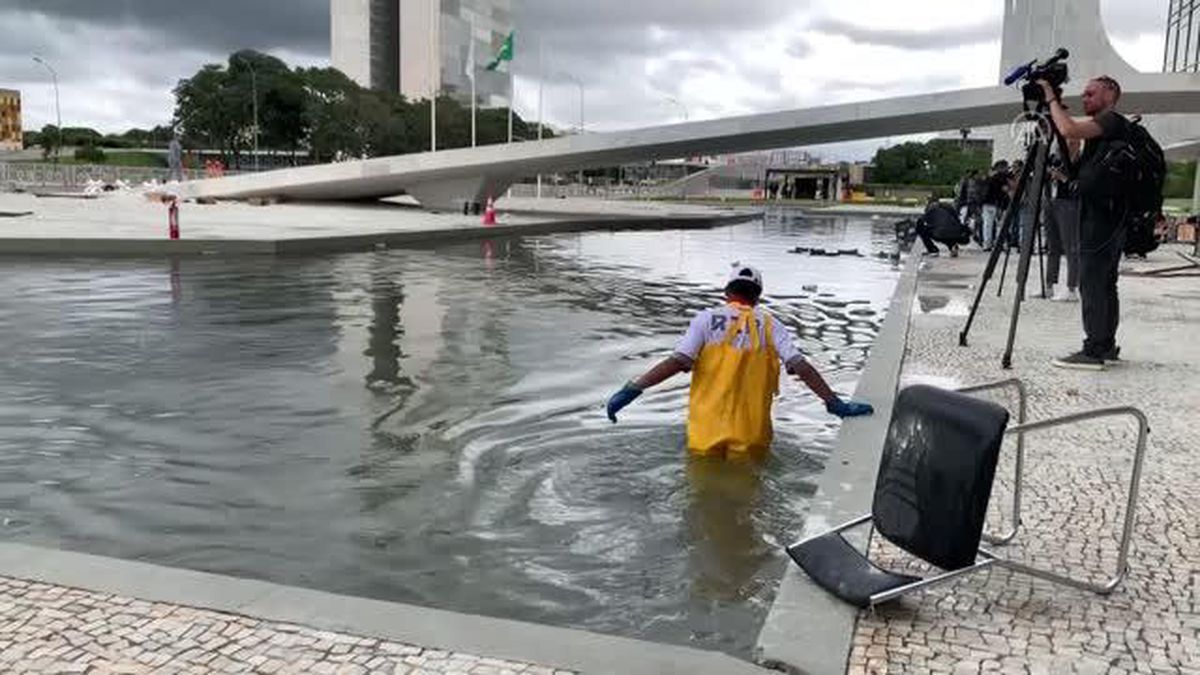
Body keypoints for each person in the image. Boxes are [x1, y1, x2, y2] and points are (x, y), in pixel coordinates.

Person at [604, 265, 874, 457]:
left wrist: (632, 389)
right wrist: (833, 402)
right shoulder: (771, 325)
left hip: (705, 432)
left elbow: (678, 361)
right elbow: (800, 366)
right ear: (758, 296)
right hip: (752, 433)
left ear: (726, 292)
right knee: (746, 500)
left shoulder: (706, 319)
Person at [1039, 75, 1129, 370]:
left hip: (1103, 218)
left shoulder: (1111, 121)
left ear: (1111, 94)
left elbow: (1068, 127)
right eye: (1084, 94)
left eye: (1091, 93)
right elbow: (1074, 156)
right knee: (1105, 284)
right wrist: (1070, 145)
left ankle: (1093, 351)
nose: (1085, 98)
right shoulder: (1103, 132)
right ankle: (1105, 344)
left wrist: (1051, 99)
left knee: (1093, 282)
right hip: (1107, 215)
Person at [1045, 142, 1081, 302]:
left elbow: (1080, 184)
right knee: (1052, 246)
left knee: (1070, 245)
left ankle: (1072, 286)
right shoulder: (1055, 159)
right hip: (1051, 201)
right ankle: (1048, 285)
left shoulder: (1081, 161)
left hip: (1068, 204)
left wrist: (1064, 178)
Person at [981, 161, 1010, 250]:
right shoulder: (1003, 178)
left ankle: (987, 244)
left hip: (987, 204)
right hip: (999, 204)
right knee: (1000, 225)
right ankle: (999, 243)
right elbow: (1004, 191)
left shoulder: (988, 178)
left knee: (987, 225)